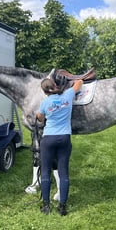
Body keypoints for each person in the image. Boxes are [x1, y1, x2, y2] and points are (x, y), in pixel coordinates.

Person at [36, 77, 83, 216]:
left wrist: (39, 115)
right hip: (64, 138)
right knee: (64, 173)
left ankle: (46, 206)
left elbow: (41, 118)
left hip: (48, 138)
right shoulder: (67, 95)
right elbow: (79, 83)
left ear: (44, 91)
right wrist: (75, 79)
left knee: (45, 172)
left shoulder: (45, 103)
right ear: (55, 85)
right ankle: (62, 207)